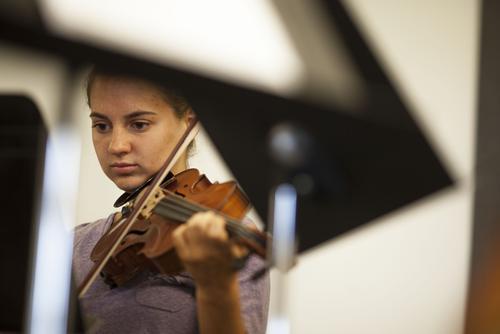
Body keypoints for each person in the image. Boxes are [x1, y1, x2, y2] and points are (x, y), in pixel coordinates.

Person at [72, 68, 269, 334]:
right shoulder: (72, 244)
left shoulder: (223, 241)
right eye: (102, 126)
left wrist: (215, 286)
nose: (116, 145)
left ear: (188, 123)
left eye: (139, 124)